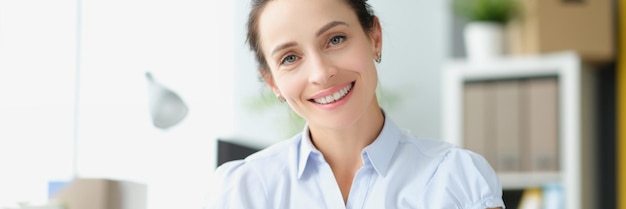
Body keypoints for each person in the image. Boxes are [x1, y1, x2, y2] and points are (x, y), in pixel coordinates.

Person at [209, 0, 505, 208]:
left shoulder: (454, 178)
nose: (321, 73)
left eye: (335, 39)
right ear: (273, 82)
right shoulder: (244, 190)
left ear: (374, 37)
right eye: (290, 58)